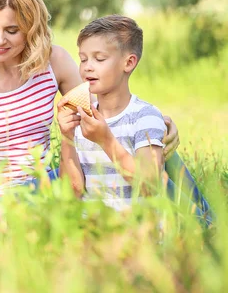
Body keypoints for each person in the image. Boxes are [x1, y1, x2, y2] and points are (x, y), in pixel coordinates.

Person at [0, 0, 182, 203]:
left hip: (49, 183)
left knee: (154, 150)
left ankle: (207, 223)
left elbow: (102, 107)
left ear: (30, 28)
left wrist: (153, 124)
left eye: (11, 31)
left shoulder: (53, 61)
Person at [57, 16, 212, 220]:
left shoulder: (145, 117)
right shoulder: (81, 119)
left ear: (128, 62)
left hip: (139, 234)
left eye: (99, 59)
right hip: (93, 232)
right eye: (83, 59)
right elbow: (72, 193)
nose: (87, 67)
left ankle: (208, 226)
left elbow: (149, 186)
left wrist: (106, 141)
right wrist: (67, 138)